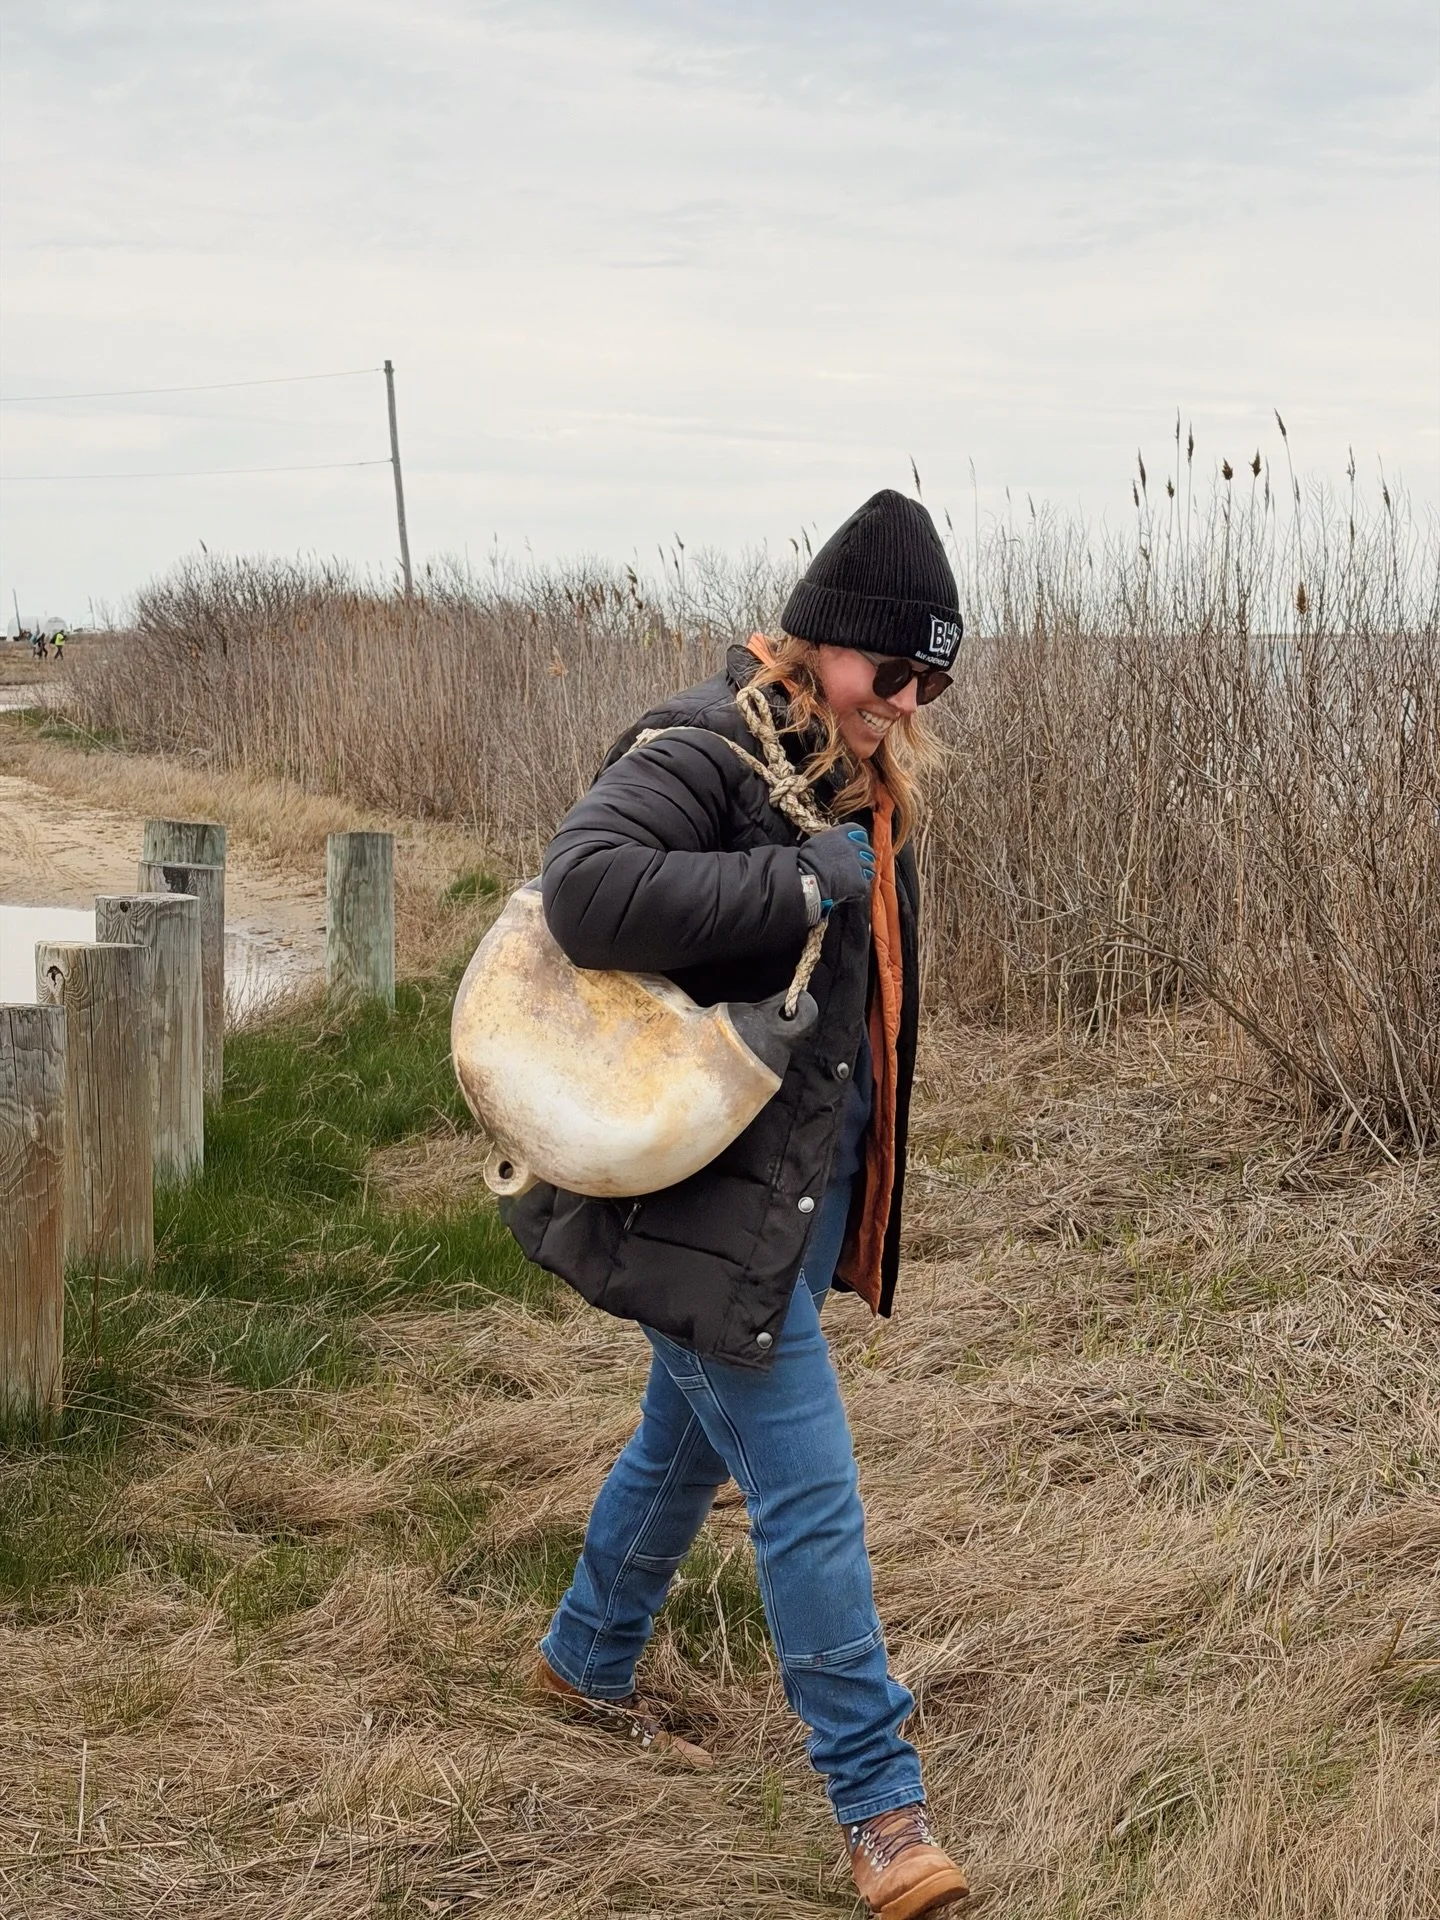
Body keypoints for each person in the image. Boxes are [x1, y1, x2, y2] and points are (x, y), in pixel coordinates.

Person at [503, 489, 969, 1919]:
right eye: (886, 673)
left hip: (785, 1195)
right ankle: (881, 1811)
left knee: (681, 1441)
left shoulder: (840, 777)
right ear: (819, 642)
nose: (902, 703)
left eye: (928, 683)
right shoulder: (706, 749)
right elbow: (586, 891)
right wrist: (795, 882)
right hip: (701, 1199)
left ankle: (586, 1657)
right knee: (807, 1491)